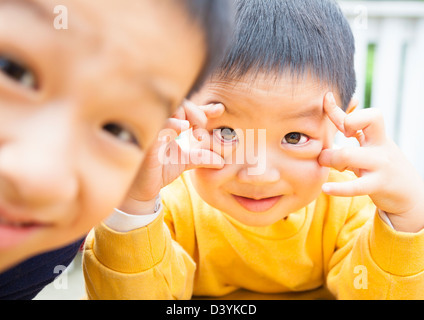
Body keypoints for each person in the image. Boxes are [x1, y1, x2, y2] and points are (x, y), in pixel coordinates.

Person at [83, 0, 424, 299]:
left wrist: (407, 218)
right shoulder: (165, 202)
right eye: (227, 131)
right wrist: (134, 208)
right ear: (179, 110)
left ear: (343, 125)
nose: (258, 173)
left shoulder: (349, 203)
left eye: (293, 137)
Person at [0, 0, 234, 298]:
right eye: (12, 71)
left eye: (118, 131)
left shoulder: (38, 245)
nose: (42, 181)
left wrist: (137, 205)